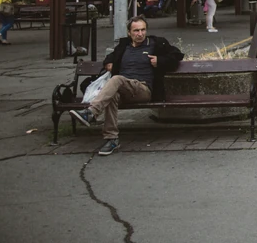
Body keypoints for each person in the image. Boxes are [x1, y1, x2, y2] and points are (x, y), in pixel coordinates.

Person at [70, 16, 184, 156]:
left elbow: (177, 55)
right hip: (124, 89)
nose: (140, 34)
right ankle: (111, 139)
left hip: (143, 89)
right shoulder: (124, 46)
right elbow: (110, 57)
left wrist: (160, 60)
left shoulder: (156, 43)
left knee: (117, 79)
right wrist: (108, 63)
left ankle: (91, 112)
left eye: (143, 30)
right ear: (129, 33)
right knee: (112, 96)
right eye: (136, 31)